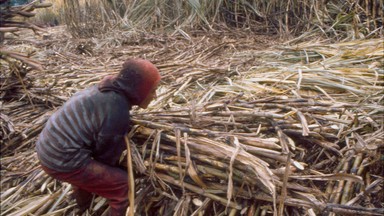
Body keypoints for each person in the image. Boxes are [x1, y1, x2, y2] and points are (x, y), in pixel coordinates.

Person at [35, 58, 161, 216]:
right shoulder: (116, 108)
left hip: (47, 148)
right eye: (152, 90)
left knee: (91, 170)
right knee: (123, 185)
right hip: (60, 160)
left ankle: (83, 206)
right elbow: (105, 157)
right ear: (140, 88)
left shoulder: (106, 87)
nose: (155, 96)